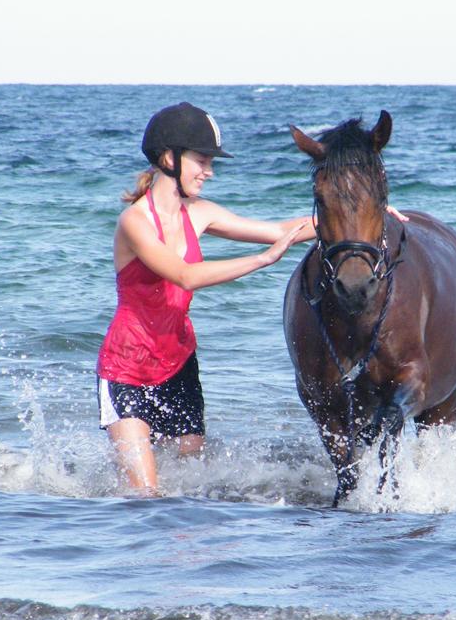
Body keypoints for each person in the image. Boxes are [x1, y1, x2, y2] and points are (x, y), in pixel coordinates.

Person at [96, 102, 314, 494]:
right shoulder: (135, 221)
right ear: (168, 158)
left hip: (179, 363)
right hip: (126, 370)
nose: (209, 171)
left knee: (189, 492)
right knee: (146, 496)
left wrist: (363, 213)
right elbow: (185, 275)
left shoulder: (199, 212)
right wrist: (263, 260)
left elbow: (279, 229)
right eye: (201, 160)